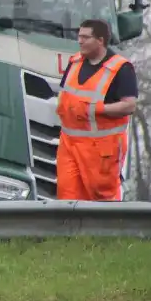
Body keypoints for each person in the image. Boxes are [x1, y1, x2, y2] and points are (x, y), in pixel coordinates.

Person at [55, 19, 138, 201]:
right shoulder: (75, 62)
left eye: (86, 37)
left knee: (102, 199)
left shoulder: (121, 68)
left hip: (101, 150)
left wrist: (99, 109)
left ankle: (106, 229)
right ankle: (68, 230)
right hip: (70, 146)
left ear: (100, 40)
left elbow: (129, 105)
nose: (80, 41)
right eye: (79, 36)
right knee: (67, 197)